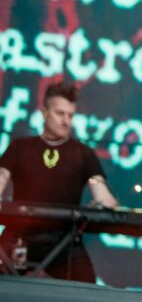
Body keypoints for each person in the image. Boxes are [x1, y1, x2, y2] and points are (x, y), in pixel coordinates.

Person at [0, 81, 118, 282]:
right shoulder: (19, 148)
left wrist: (108, 204)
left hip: (64, 241)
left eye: (70, 115)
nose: (66, 121)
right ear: (45, 112)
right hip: (20, 236)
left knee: (88, 291)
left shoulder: (83, 154)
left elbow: (102, 194)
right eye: (60, 113)